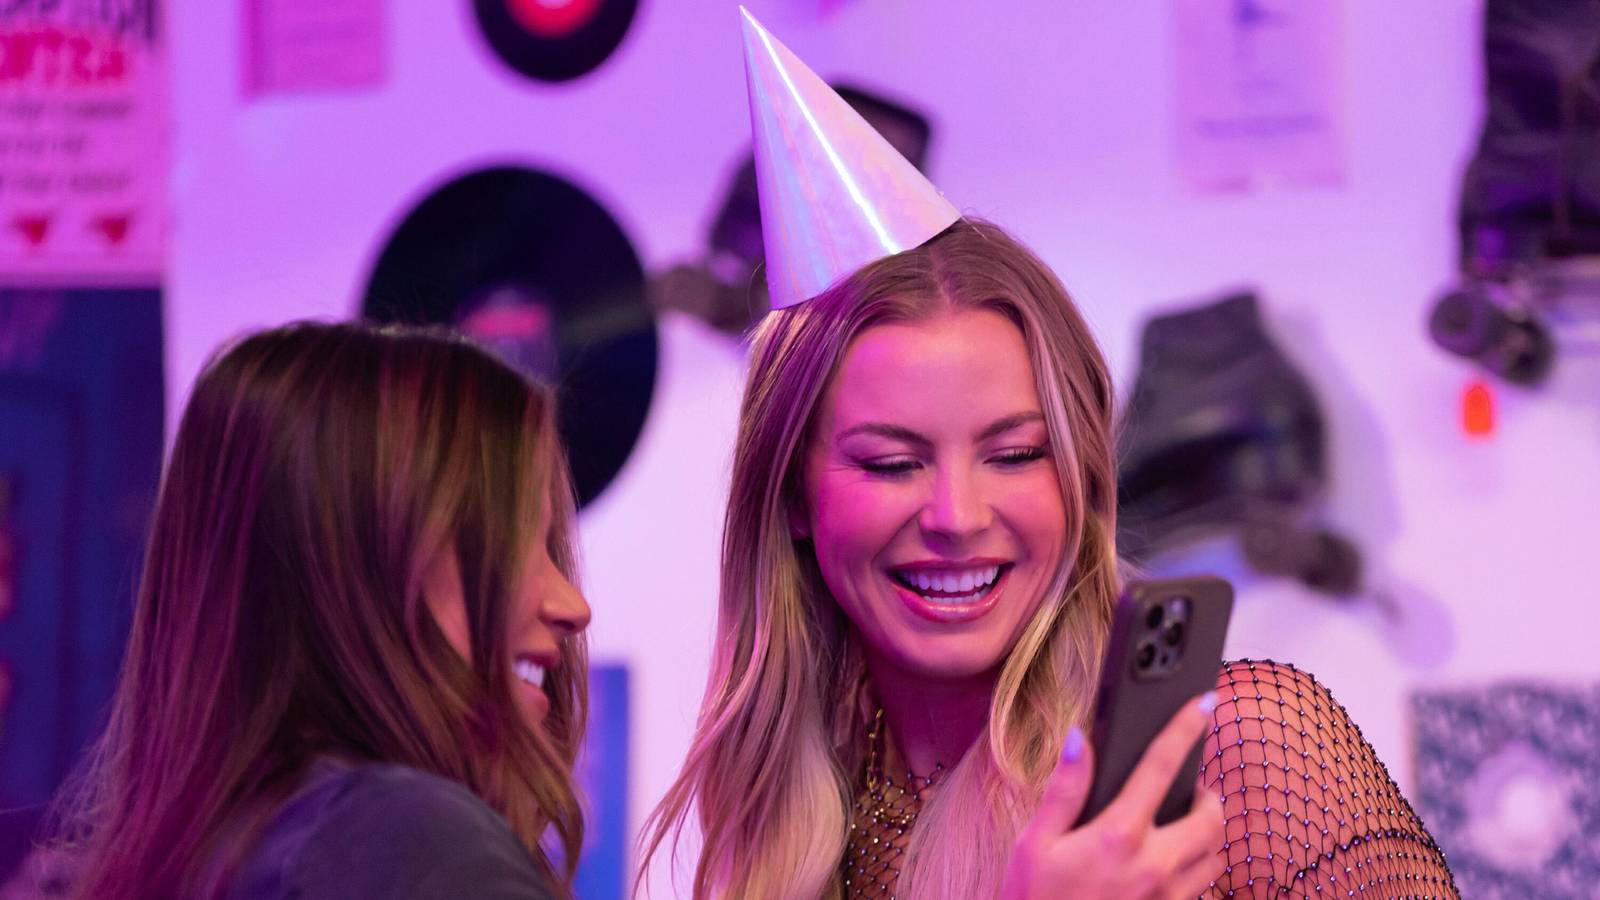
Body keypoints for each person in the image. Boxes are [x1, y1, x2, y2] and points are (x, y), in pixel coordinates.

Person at [641, 12, 1456, 899]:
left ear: (1080, 479)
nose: (956, 516)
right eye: (892, 463)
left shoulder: (1235, 753)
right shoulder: (796, 816)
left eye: (1016, 453)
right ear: (793, 498)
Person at [47, 322, 591, 899]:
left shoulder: (229, 852)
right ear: (359, 558)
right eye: (514, 539)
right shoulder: (408, 843)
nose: (572, 606)